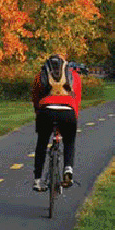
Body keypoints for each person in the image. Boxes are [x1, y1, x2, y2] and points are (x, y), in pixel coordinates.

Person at [31, 54, 81, 191]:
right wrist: (73, 118)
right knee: (69, 140)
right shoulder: (73, 76)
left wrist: (39, 114)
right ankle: (68, 170)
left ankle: (37, 180)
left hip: (46, 110)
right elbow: (77, 100)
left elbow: (35, 98)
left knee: (42, 142)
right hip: (68, 111)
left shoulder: (40, 76)